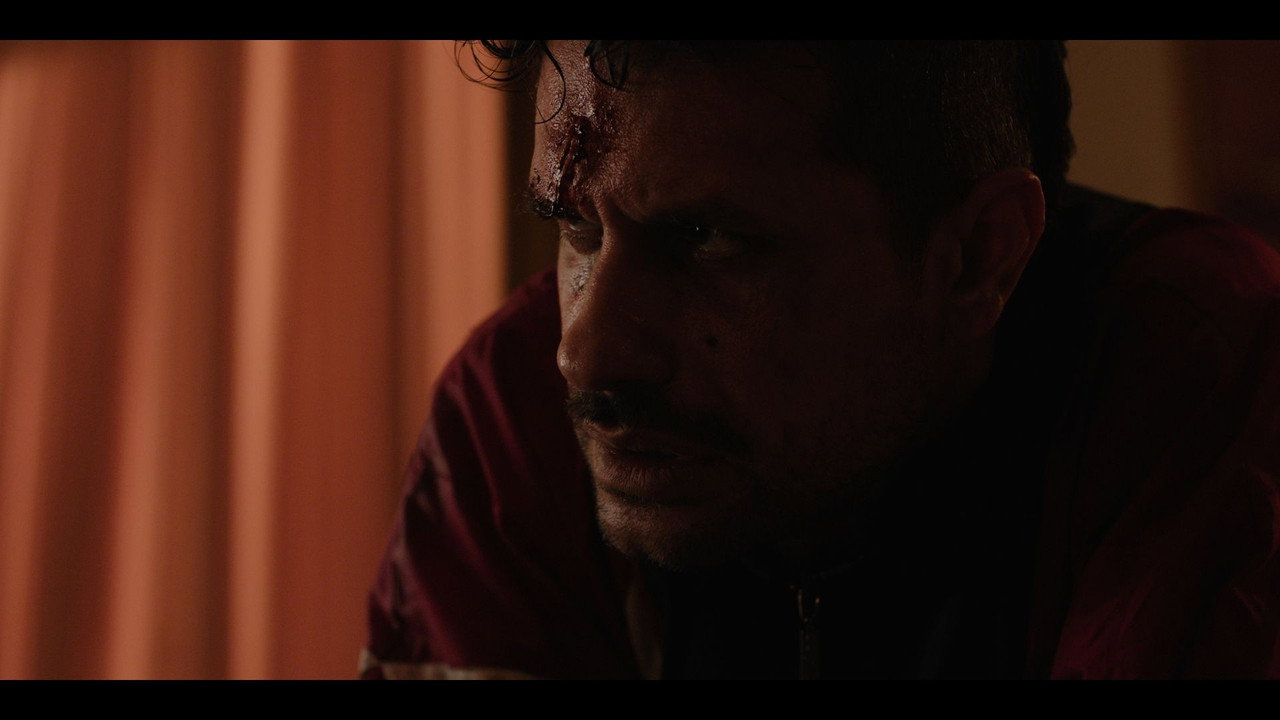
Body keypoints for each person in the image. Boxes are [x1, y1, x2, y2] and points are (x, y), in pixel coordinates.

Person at [361, 41, 1280, 679]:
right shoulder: (512, 415)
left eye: (706, 239)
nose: (585, 354)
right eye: (577, 230)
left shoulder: (1203, 371)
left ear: (977, 257)